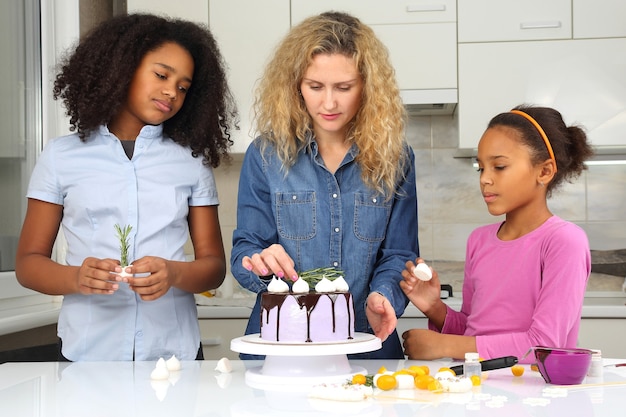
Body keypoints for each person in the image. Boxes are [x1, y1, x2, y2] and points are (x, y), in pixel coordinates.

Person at [15, 13, 237, 361]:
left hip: (173, 353)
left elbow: (214, 267)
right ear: (123, 67)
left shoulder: (190, 162)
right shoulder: (61, 157)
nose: (171, 92)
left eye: (183, 86)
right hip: (88, 354)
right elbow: (28, 264)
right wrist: (77, 278)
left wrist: (175, 272)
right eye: (162, 75)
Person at [230, 11, 419, 359]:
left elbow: (400, 255)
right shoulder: (266, 156)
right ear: (295, 86)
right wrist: (259, 261)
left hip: (367, 345)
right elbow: (244, 250)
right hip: (280, 350)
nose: (329, 103)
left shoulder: (397, 158)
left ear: (367, 87)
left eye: (344, 87)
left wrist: (384, 295)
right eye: (315, 86)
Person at [401, 105, 594, 363]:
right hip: (475, 389)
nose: (485, 179)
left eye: (499, 166)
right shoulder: (479, 241)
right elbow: (474, 334)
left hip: (534, 396)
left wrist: (444, 345)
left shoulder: (564, 241)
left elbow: (544, 345)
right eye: (480, 168)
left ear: (544, 171)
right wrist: (435, 309)